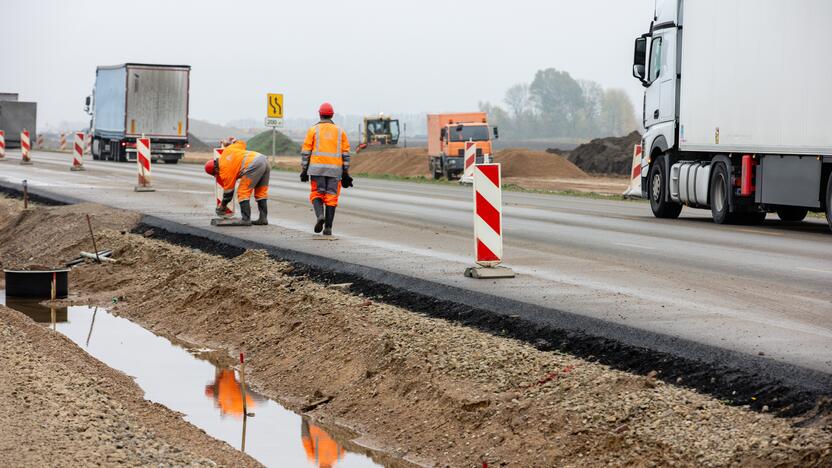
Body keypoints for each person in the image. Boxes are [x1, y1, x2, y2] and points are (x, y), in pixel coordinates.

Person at [300, 103, 353, 235]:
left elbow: (306, 152)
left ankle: (320, 216)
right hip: (335, 171)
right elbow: (346, 153)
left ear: (320, 114)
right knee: (331, 197)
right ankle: (328, 228)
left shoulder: (313, 130)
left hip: (316, 170)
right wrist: (345, 172)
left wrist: (304, 170)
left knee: (317, 194)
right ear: (332, 115)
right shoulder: (340, 131)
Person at [204, 137, 270, 225]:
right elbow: (242, 144)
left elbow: (228, 193)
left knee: (243, 192)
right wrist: (231, 142)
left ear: (215, 169)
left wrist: (222, 206)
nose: (218, 175)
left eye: (216, 174)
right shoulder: (228, 150)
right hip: (263, 160)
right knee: (261, 192)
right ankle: (263, 219)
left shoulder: (224, 170)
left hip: (253, 165)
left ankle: (245, 219)